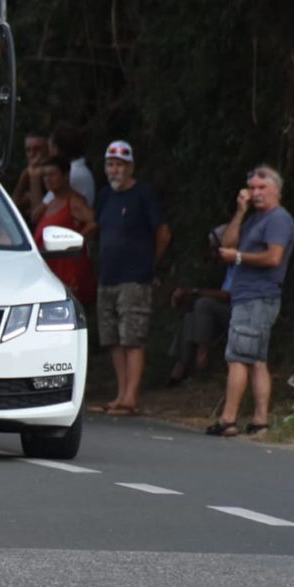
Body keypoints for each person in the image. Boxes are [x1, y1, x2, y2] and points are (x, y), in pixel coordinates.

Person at [207, 164, 294, 437]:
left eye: (262, 188)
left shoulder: (278, 219)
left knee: (237, 357)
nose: (256, 193)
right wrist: (240, 211)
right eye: (252, 188)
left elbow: (273, 257)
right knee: (256, 359)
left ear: (276, 189)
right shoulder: (256, 219)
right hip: (248, 296)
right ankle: (260, 421)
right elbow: (229, 242)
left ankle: (228, 418)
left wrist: (238, 259)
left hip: (258, 296)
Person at [89, 140, 171, 415]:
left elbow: (162, 232)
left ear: (130, 167)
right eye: (110, 164)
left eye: (120, 165)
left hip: (134, 277)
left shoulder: (142, 194)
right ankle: (120, 394)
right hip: (108, 276)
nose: (115, 170)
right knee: (112, 338)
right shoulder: (104, 196)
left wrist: (150, 264)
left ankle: (130, 397)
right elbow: (98, 227)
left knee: (132, 337)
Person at [167, 226, 234, 384]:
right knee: (191, 312)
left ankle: (201, 355)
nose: (213, 255)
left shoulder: (239, 264)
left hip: (238, 310)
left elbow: (229, 295)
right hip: (219, 311)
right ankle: (182, 364)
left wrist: (197, 292)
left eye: (215, 250)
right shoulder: (221, 268)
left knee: (203, 304)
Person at [31, 155, 97, 304]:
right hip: (51, 275)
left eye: (52, 174)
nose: (48, 179)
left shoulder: (73, 201)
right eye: (45, 175)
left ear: (66, 175)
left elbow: (94, 222)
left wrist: (73, 243)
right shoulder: (51, 202)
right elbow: (33, 216)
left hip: (69, 276)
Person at [49, 121, 95, 208]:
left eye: (50, 148)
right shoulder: (80, 170)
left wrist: (33, 176)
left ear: (55, 149)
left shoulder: (72, 173)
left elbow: (38, 214)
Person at [11, 132, 49, 219]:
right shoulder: (27, 172)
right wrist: (25, 174)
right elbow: (14, 206)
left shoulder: (54, 176)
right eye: (28, 150)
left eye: (37, 149)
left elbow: (37, 217)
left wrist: (34, 176)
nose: (32, 154)